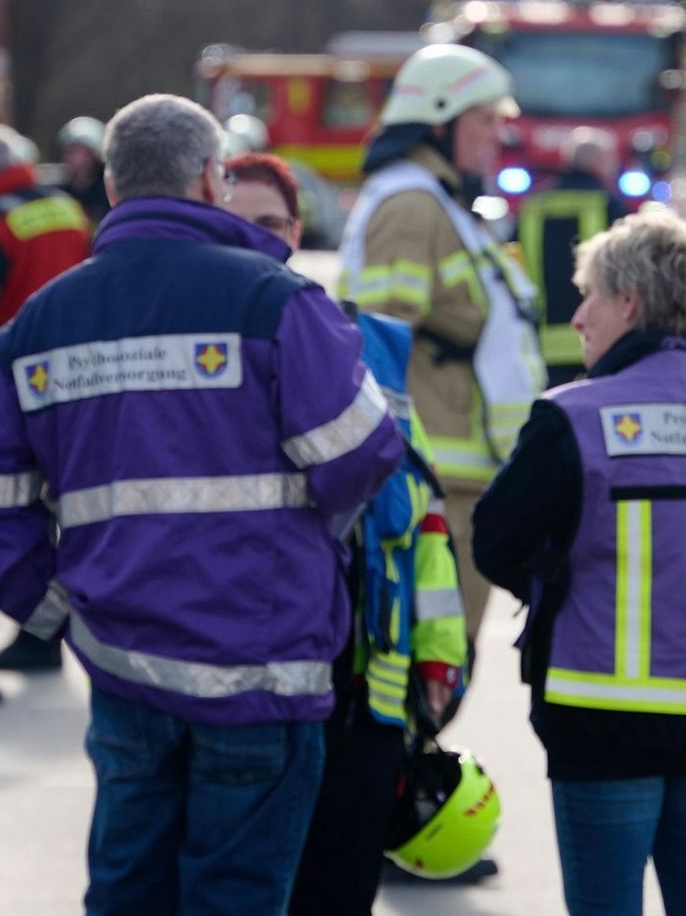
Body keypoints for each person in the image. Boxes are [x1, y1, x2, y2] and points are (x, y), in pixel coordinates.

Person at [0, 95, 404, 915]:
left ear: (112, 187)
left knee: (126, 893)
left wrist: (53, 609)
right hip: (265, 661)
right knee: (237, 897)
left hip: (121, 660)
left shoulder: (42, 322)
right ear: (209, 180)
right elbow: (363, 452)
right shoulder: (276, 300)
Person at [472, 206, 686, 915]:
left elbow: (494, 537)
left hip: (603, 708)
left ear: (630, 302)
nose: (578, 315)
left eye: (591, 295)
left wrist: (561, 584)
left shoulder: (572, 418)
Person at [219, 150, 475, 914]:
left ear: (296, 231)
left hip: (363, 692)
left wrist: (438, 655)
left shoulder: (370, 347)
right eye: (237, 225)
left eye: (269, 223)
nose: (256, 239)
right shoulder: (193, 355)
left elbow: (422, 522)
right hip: (243, 684)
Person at [339, 43, 546, 649]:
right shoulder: (410, 208)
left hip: (464, 479)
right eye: (486, 120)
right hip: (432, 483)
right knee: (431, 664)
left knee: (447, 661)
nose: (498, 135)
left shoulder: (442, 205)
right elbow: (376, 344)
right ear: (439, 120)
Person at [0, 122, 93, 674]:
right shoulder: (67, 208)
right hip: (79, 372)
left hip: (8, 378)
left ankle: (39, 632)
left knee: (21, 509)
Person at [519, 128, 627, 386]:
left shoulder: (533, 206)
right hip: (599, 340)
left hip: (541, 343)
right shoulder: (609, 205)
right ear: (597, 163)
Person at [58, 116, 112, 226]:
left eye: (80, 152)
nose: (73, 158)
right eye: (70, 152)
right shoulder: (58, 194)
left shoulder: (109, 191)